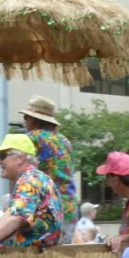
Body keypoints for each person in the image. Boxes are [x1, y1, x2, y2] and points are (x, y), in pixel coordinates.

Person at [0, 134, 62, 253]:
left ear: (21, 158)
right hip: (33, 255)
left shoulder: (30, 180)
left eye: (3, 156)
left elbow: (16, 216)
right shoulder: (34, 177)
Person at [20, 96, 79, 244]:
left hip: (45, 210)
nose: (24, 121)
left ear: (33, 119)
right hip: (69, 209)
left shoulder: (32, 138)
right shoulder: (65, 141)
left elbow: (22, 173)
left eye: (26, 117)